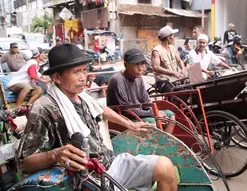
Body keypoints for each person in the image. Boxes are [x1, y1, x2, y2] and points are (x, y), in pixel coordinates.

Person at [17, 44, 177, 191]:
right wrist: (55, 155)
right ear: (58, 77)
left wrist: (130, 124)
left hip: (109, 163)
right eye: (76, 72)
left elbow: (102, 109)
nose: (83, 77)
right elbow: (26, 162)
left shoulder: (83, 96)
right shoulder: (45, 107)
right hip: (85, 178)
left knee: (165, 167)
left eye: (84, 70)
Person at [107, 49, 176, 133]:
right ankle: (156, 144)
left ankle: (165, 143)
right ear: (126, 65)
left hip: (139, 113)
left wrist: (156, 112)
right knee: (152, 122)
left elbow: (146, 100)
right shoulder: (117, 80)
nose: (140, 68)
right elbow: (126, 110)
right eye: (136, 65)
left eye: (142, 64)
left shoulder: (138, 78)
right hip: (126, 117)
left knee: (171, 115)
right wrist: (153, 113)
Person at [151, 25, 187, 93]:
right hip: (163, 80)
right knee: (173, 93)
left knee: (188, 88)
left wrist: (183, 69)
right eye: (173, 36)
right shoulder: (156, 50)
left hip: (175, 78)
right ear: (168, 37)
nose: (174, 38)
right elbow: (156, 67)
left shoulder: (172, 47)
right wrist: (174, 73)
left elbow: (179, 61)